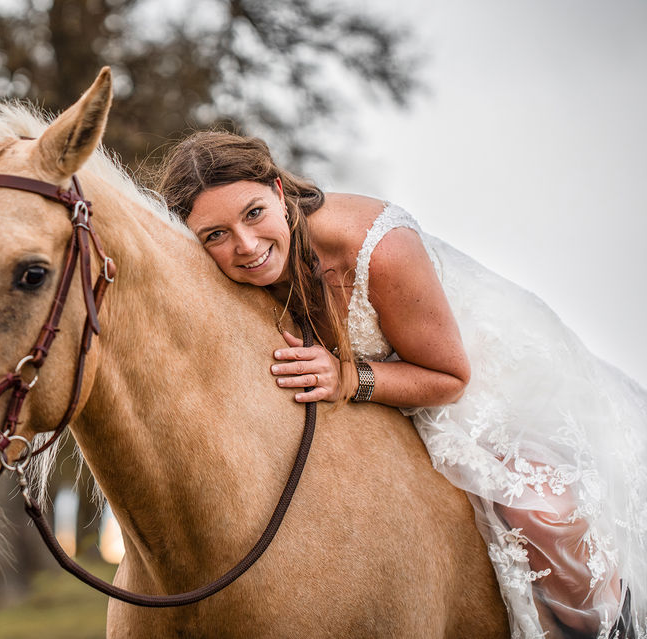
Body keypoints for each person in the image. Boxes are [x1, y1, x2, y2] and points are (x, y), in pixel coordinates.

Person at [156, 131, 646, 639]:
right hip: (375, 402)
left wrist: (348, 376)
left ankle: (617, 623)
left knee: (546, 517)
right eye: (216, 235)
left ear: (279, 192)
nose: (246, 245)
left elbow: (451, 378)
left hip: (474, 386)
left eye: (254, 213)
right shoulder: (220, 273)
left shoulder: (376, 247)